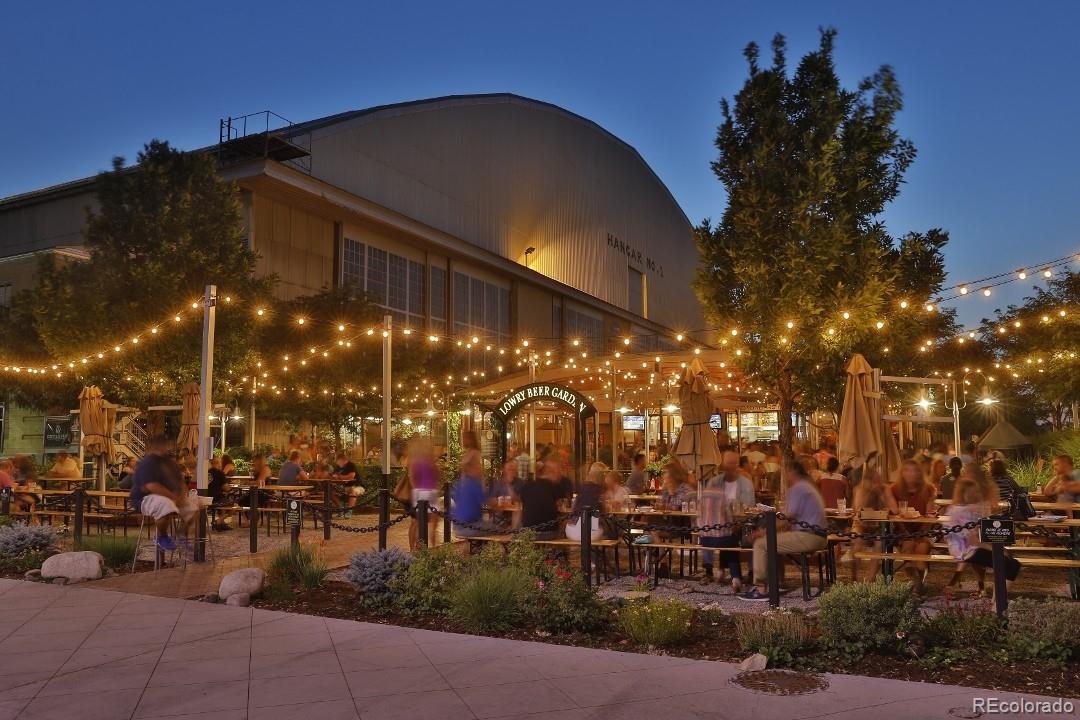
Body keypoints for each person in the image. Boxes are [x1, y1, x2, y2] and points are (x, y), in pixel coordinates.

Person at [740, 459, 827, 601]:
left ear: (792, 472)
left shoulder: (798, 488)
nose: (784, 477)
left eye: (786, 473)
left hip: (808, 536)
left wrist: (763, 532)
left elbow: (785, 517)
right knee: (775, 543)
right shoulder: (808, 486)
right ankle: (777, 582)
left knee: (761, 544)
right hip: (819, 536)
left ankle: (761, 588)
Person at [945, 474, 1020, 595]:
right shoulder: (962, 511)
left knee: (1008, 563)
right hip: (966, 550)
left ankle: (997, 598)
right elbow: (973, 541)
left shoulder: (959, 507)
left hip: (966, 548)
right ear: (966, 493)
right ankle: (998, 601)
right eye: (974, 492)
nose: (977, 494)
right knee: (1012, 565)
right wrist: (998, 550)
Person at [130, 437, 193, 551]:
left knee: (194, 505)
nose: (162, 449)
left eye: (163, 446)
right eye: (159, 447)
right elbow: (151, 486)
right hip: (144, 498)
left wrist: (182, 496)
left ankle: (182, 535)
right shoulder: (146, 463)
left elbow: (181, 481)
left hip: (171, 497)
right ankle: (162, 536)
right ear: (151, 448)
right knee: (165, 504)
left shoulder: (170, 463)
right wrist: (173, 497)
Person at [886, 459, 936, 594]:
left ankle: (917, 586)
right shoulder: (894, 489)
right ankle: (917, 583)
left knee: (921, 549)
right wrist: (906, 533)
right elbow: (895, 515)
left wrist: (920, 534)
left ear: (919, 473)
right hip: (903, 530)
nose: (910, 474)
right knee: (908, 548)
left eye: (914, 471)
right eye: (907, 470)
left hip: (923, 530)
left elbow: (929, 515)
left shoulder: (929, 489)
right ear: (902, 473)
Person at [450, 450, 498, 538]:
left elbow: (456, 498)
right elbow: (489, 502)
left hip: (457, 526)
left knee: (489, 524)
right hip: (470, 527)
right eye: (479, 464)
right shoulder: (474, 483)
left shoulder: (461, 482)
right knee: (499, 527)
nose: (481, 467)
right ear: (472, 467)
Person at [407, 436, 440, 550]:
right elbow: (437, 475)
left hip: (423, 492)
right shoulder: (427, 460)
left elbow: (412, 477)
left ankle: (418, 548)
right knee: (425, 523)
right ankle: (426, 548)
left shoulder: (418, 459)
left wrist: (415, 489)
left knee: (419, 523)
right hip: (427, 491)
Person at [519, 458, 561, 540]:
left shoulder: (526, 486)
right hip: (549, 532)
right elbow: (559, 504)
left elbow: (521, 506)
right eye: (558, 472)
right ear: (550, 472)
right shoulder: (554, 486)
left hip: (528, 532)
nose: (559, 475)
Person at [566, 466, 605, 541]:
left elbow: (573, 508)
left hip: (571, 532)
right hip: (591, 533)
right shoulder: (599, 491)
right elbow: (603, 511)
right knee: (601, 528)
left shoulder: (581, 489)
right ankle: (596, 552)